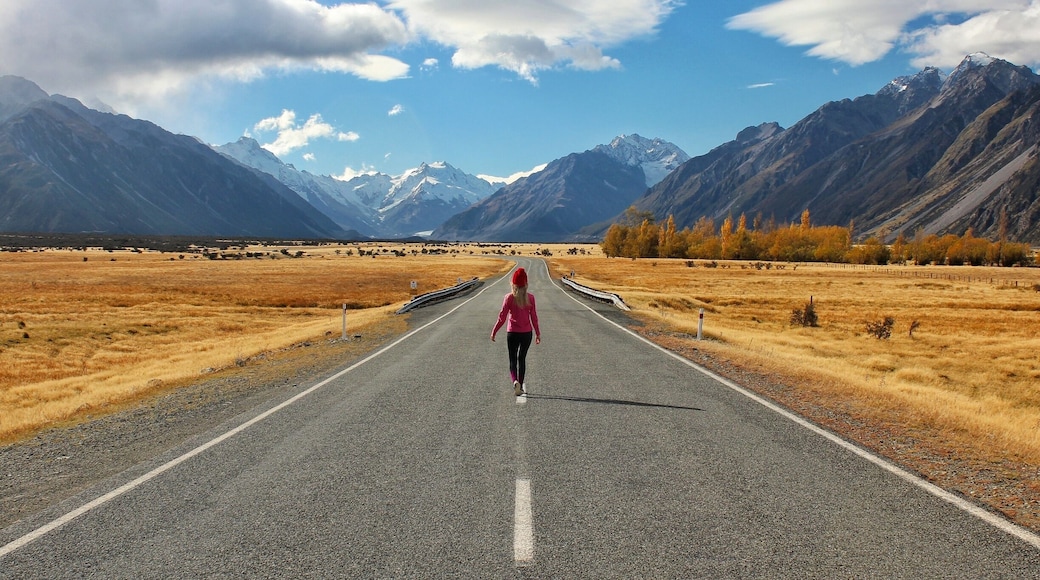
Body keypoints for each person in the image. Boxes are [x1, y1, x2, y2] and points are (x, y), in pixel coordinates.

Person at [491, 267, 541, 396]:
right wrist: (538, 333)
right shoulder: (531, 298)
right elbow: (534, 317)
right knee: (522, 359)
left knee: (512, 359)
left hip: (512, 333)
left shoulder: (509, 298)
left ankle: (515, 382)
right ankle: (521, 383)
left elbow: (502, 317)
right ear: (526, 284)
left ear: (513, 284)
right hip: (527, 333)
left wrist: (494, 331)